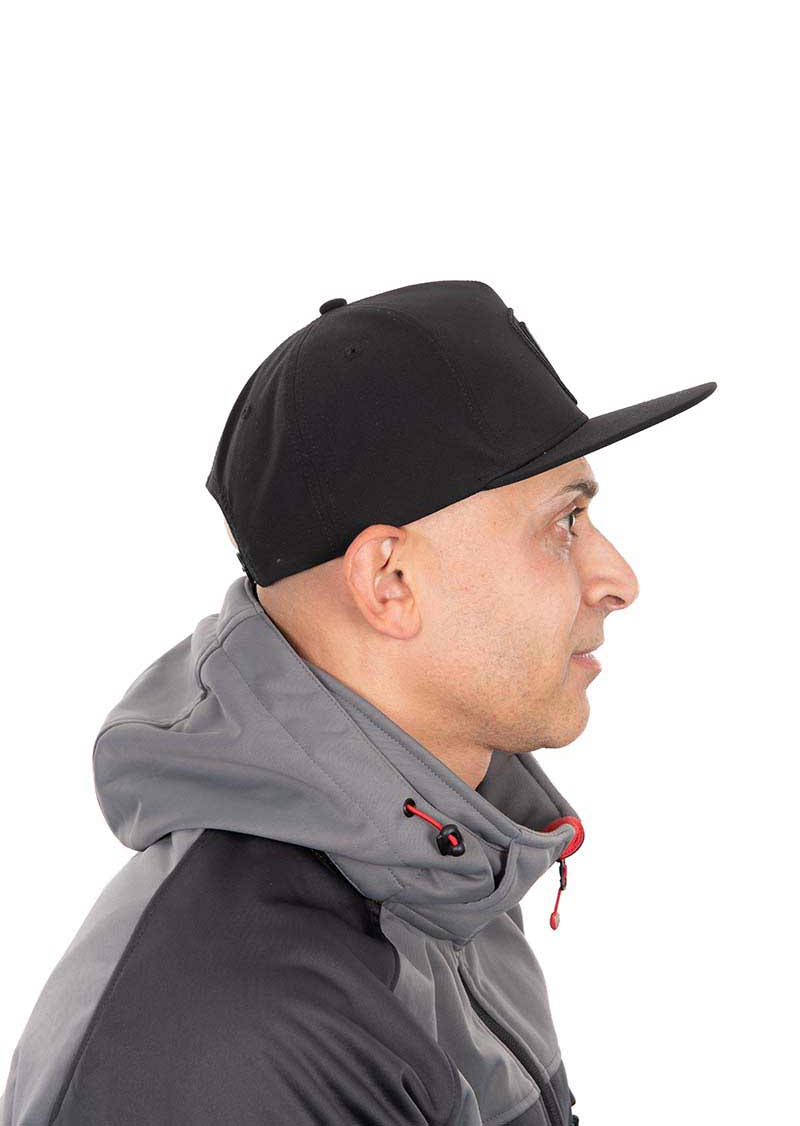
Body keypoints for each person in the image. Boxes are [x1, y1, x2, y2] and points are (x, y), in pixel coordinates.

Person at [0, 280, 716, 1125]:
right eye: (566, 522)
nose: (618, 580)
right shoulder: (227, 1031)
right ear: (390, 580)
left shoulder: (448, 873)